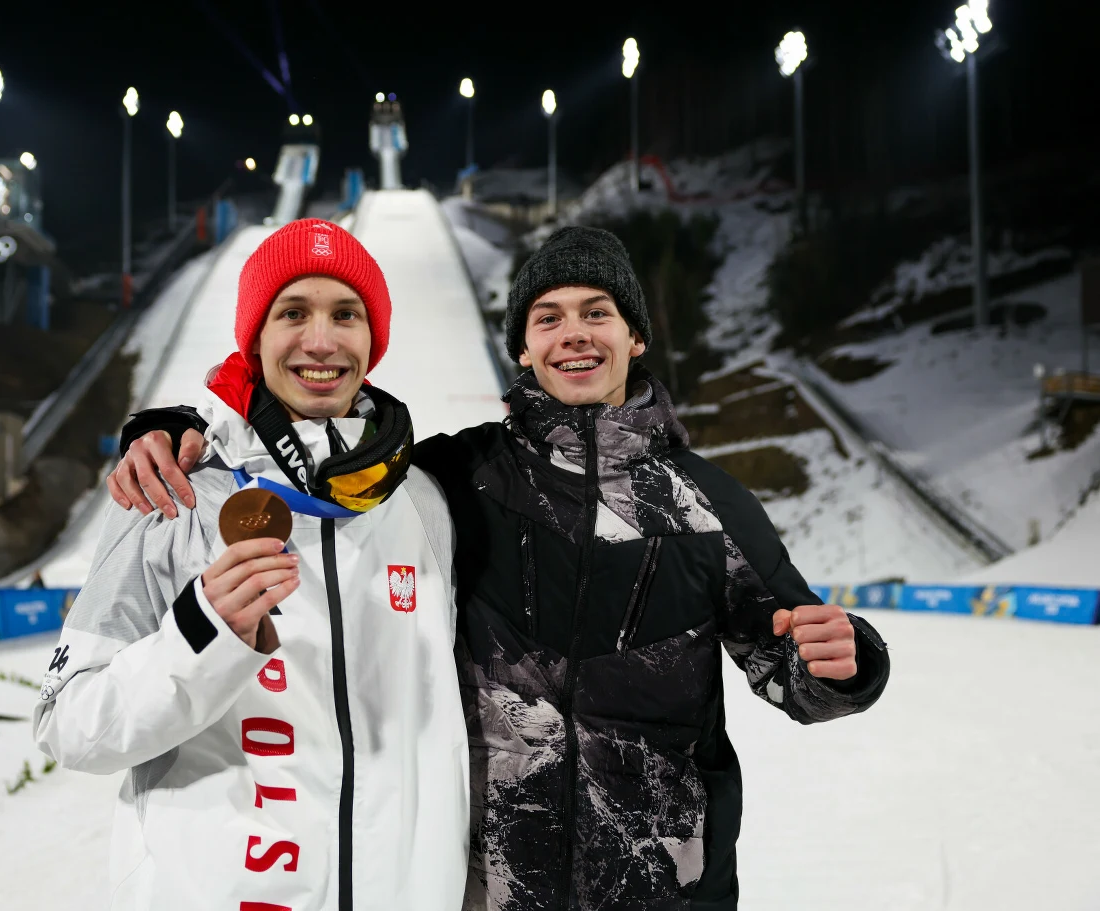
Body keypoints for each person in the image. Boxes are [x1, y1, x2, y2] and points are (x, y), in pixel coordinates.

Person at [109, 225, 892, 910]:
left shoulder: (708, 502)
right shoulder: (459, 476)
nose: (574, 334)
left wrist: (841, 663)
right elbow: (326, 457)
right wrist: (180, 426)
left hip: (666, 889)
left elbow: (793, 653)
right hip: (499, 888)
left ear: (636, 337)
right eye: (548, 318)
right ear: (523, 345)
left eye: (598, 313)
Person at [34, 220, 470, 910]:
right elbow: (70, 722)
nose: (321, 341)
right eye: (293, 312)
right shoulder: (170, 489)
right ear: (256, 336)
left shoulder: (423, 501)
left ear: (372, 338)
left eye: (345, 314)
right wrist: (201, 634)